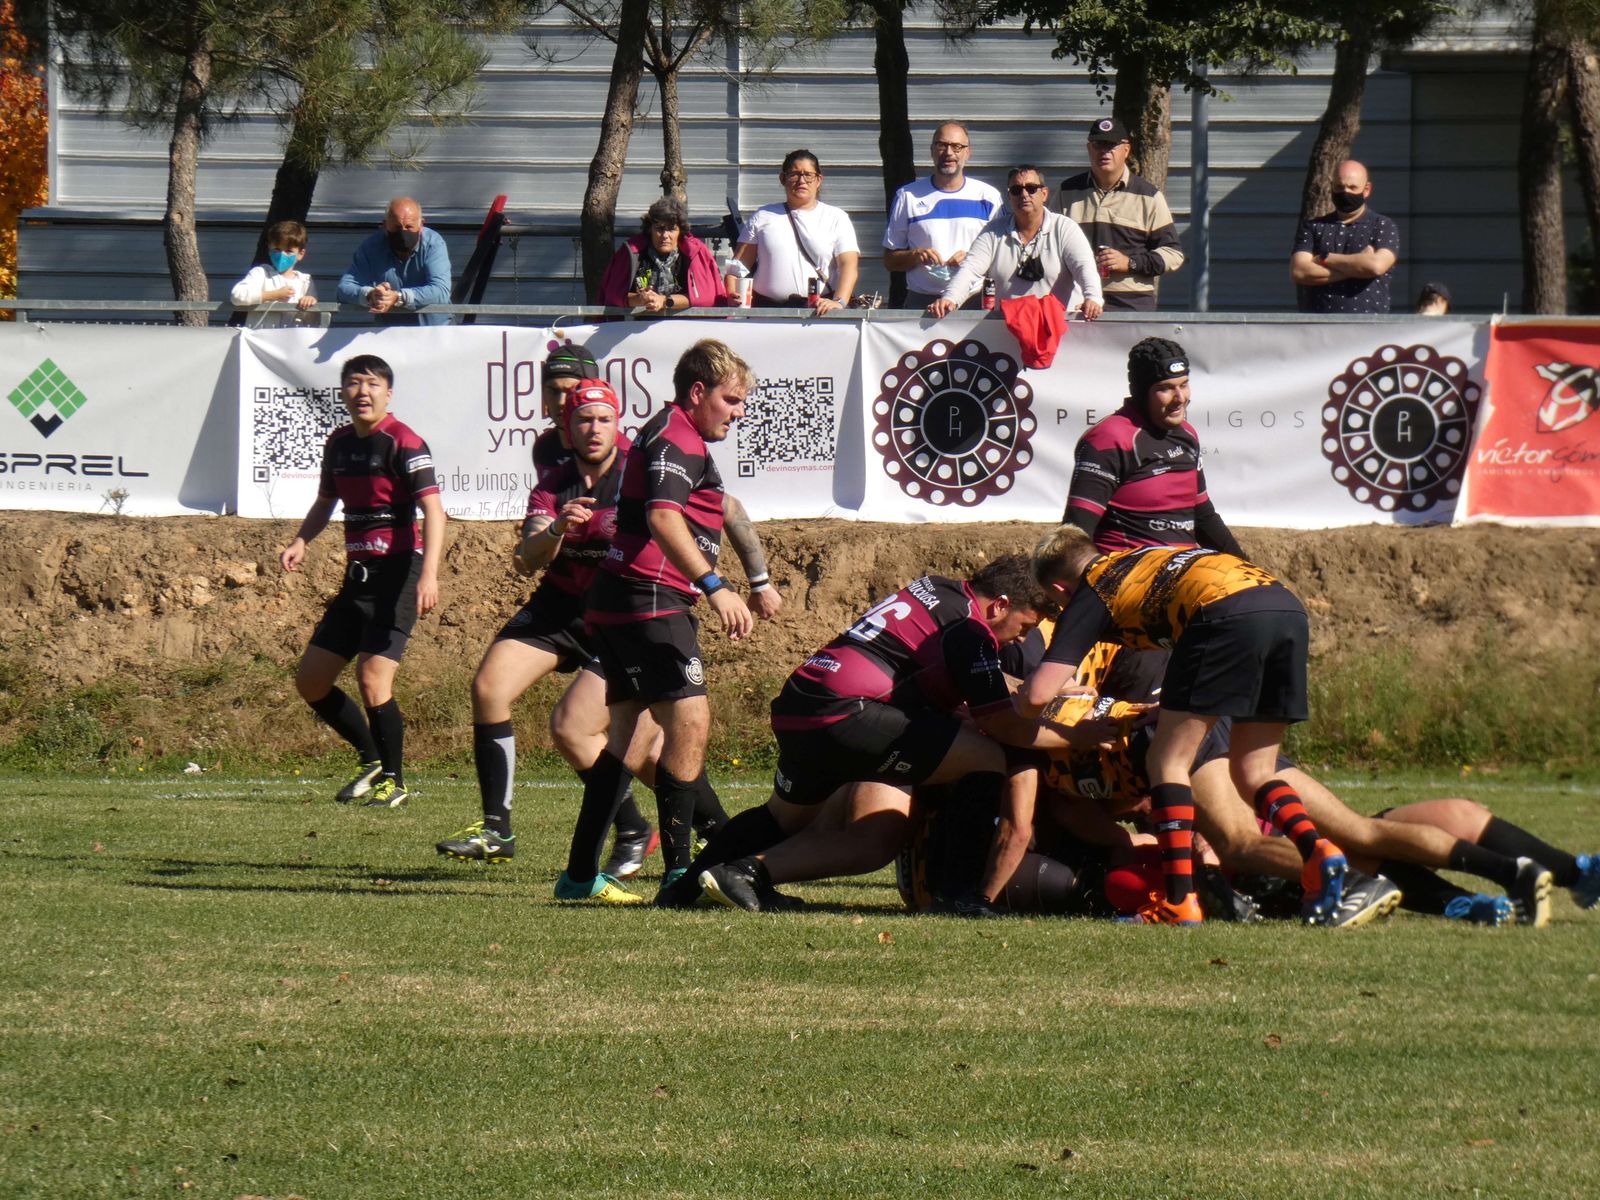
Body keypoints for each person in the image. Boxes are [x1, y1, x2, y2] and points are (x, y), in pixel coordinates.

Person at [682, 556, 1116, 914]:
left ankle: (688, 890)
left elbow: (945, 670)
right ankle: (958, 897)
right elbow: (1003, 725)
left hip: (804, 704)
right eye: (1023, 626)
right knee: (985, 757)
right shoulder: (971, 630)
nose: (1019, 639)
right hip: (848, 713)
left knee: (782, 817)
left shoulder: (937, 588)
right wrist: (1075, 735)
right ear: (999, 605)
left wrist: (1034, 687)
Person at [1021, 525, 1346, 926]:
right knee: (1253, 769)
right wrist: (1173, 706)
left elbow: (1037, 696)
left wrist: (1007, 696)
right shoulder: (1140, 558)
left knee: (1166, 761)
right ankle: (1316, 851)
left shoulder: (1094, 589)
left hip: (1224, 615)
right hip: (1284, 607)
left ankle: (1179, 901)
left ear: (1058, 589)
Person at [555, 339, 761, 904]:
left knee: (625, 738)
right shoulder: (676, 436)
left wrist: (760, 579)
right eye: (732, 400)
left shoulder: (676, 433)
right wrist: (714, 586)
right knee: (689, 724)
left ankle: (577, 876)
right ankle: (678, 875)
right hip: (651, 597)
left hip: (624, 597)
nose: (738, 413)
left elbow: (722, 511)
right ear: (698, 392)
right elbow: (662, 516)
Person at [279, 354, 444, 809]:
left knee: (373, 678)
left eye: (372, 384)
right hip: (357, 579)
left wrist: (428, 574)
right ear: (343, 393)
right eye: (353, 383)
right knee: (311, 681)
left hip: (398, 576)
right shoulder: (338, 443)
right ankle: (370, 759)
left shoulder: (404, 442)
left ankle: (395, 780)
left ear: (388, 393)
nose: (362, 392)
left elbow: (434, 511)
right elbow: (324, 502)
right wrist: (301, 541)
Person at [1065, 337, 1243, 556]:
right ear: (1141, 393)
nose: (1180, 398)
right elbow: (1075, 534)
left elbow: (1203, 516)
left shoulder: (1187, 435)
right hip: (1128, 576)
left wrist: (1253, 573)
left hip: (1184, 572)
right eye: (1166, 388)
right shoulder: (1109, 439)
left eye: (1184, 385)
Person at [927, 165, 1102, 320]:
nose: (1024, 194)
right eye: (1016, 190)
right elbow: (970, 269)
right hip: (1008, 330)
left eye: (1031, 188)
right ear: (1009, 196)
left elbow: (1084, 267)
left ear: (1045, 194)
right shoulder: (993, 230)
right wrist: (950, 299)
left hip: (1059, 328)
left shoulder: (1065, 228)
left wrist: (1093, 298)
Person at [1054, 116, 1185, 311]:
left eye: (1111, 145)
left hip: (1131, 305)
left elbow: (1173, 254)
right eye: (1098, 145)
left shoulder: (1148, 196)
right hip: (1076, 302)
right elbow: (1048, 244)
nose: (1104, 151)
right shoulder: (1067, 192)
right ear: (1089, 148)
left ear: (1126, 150)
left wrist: (1130, 263)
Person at [882, 122, 1003, 310]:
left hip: (974, 299)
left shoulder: (988, 196)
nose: (949, 153)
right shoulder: (908, 196)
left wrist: (974, 260)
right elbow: (890, 260)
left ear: (968, 152)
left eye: (957, 146)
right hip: (921, 301)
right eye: (941, 145)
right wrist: (914, 255)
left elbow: (1004, 258)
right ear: (932, 150)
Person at [725, 150, 859, 313]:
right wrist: (732, 293)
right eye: (794, 174)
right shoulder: (762, 216)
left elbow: (848, 266)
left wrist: (839, 301)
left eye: (808, 175)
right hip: (766, 312)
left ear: (818, 180)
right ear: (783, 179)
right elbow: (738, 266)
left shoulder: (837, 217)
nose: (802, 180)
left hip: (818, 313)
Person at [1290, 160, 1399, 314]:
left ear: (1366, 189)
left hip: (1369, 328)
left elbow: (1376, 266)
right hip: (1320, 329)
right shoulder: (1313, 227)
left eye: (1352, 187)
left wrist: (1325, 258)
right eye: (1339, 187)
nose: (1345, 192)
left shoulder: (1382, 226)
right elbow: (1299, 271)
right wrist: (1358, 267)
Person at [336, 196, 453, 326]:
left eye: (409, 227)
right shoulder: (371, 247)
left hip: (435, 332)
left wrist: (399, 297)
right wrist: (370, 295)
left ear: (421, 225)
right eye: (396, 227)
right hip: (389, 335)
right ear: (385, 226)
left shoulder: (433, 244)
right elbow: (343, 289)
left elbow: (441, 290)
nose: (403, 233)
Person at [598, 196, 723, 312]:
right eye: (659, 228)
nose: (665, 236)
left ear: (680, 231)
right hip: (634, 327)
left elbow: (707, 297)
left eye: (671, 229)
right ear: (649, 229)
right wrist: (641, 299)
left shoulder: (696, 252)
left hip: (687, 327)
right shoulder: (631, 252)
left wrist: (664, 301)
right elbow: (613, 295)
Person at [229, 220, 317, 325]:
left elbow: (312, 319)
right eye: (277, 249)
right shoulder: (261, 273)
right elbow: (237, 296)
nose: (282, 255)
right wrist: (274, 295)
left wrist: (310, 301)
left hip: (293, 337)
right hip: (262, 336)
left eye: (288, 251)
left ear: (300, 254)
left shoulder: (305, 281)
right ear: (269, 250)